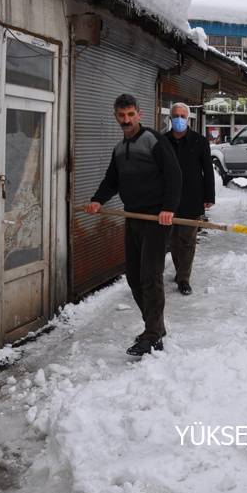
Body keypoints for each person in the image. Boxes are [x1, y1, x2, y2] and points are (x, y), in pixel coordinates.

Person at [84, 94, 182, 357]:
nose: (126, 120)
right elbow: (111, 180)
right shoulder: (119, 149)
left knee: (150, 276)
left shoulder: (154, 141)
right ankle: (155, 327)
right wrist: (97, 199)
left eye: (130, 115)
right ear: (115, 116)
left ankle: (152, 335)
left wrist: (168, 208)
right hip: (134, 218)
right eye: (121, 115)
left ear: (139, 114)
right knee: (134, 277)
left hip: (156, 220)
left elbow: (174, 175)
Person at [163, 102, 215, 296]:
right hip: (168, 199)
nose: (179, 119)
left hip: (192, 197)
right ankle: (179, 270)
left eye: (182, 116)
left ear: (188, 119)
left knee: (187, 240)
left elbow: (207, 170)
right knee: (173, 240)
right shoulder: (163, 141)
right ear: (170, 118)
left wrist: (209, 196)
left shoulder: (199, 141)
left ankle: (184, 278)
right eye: (175, 115)